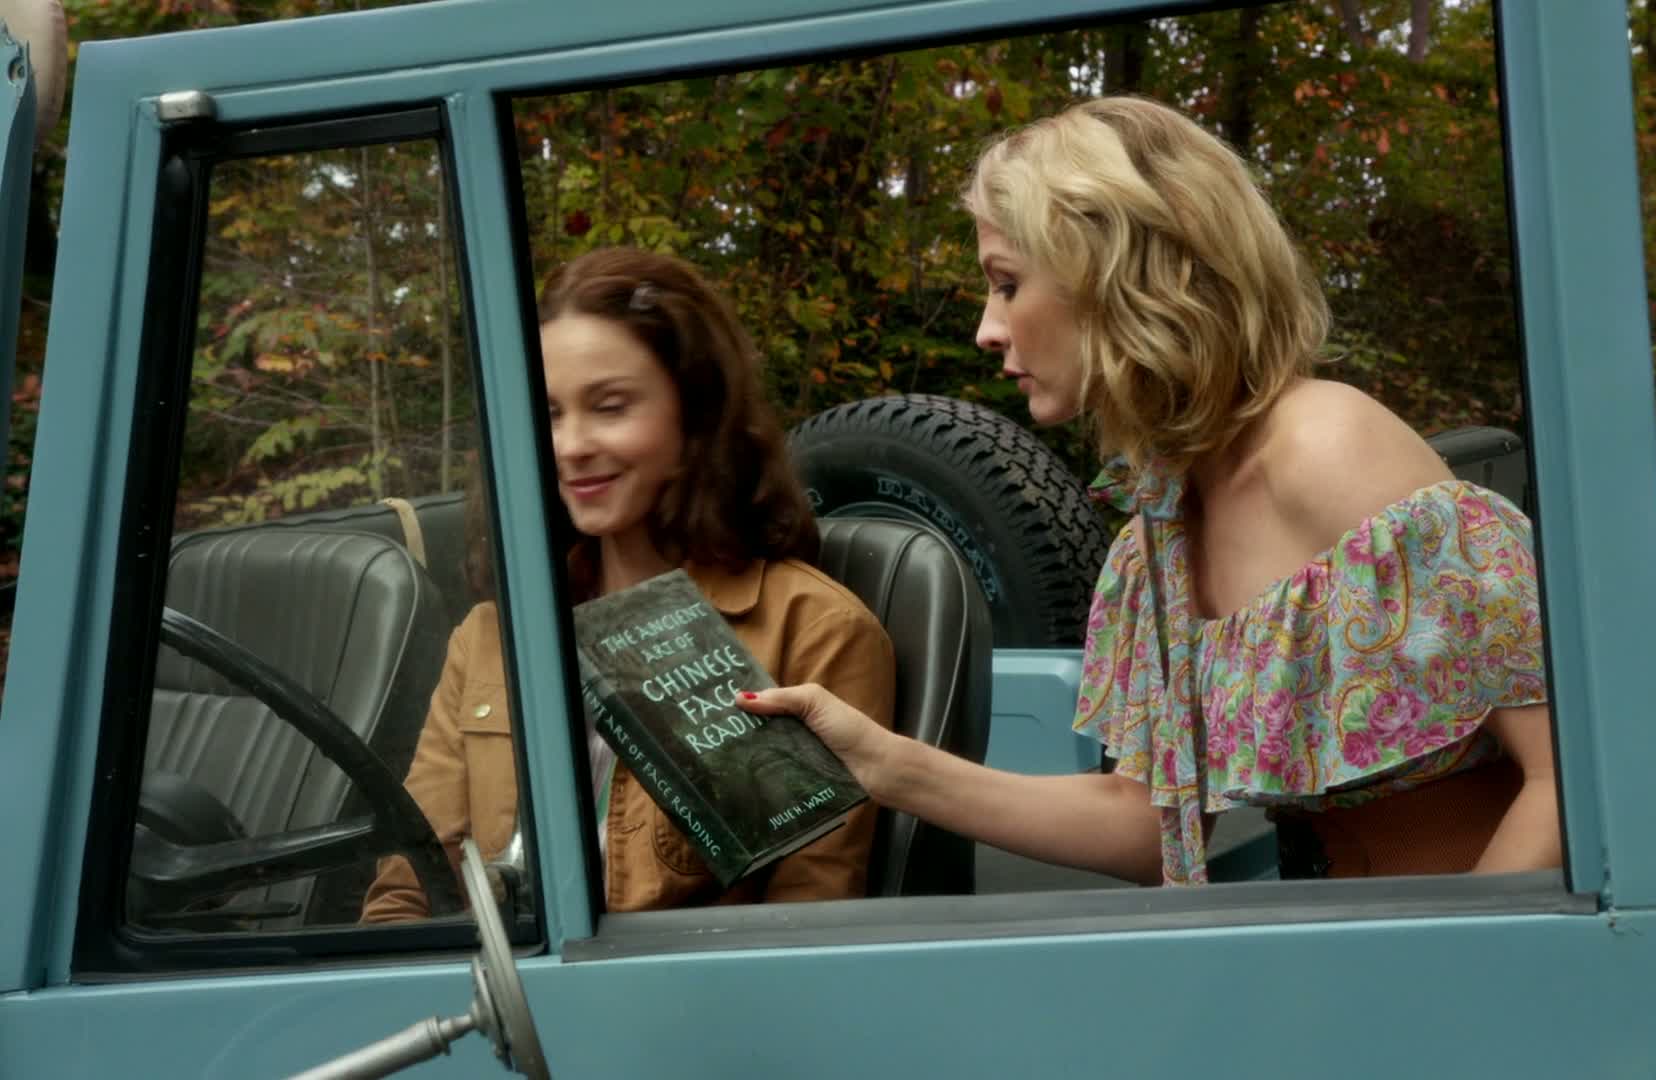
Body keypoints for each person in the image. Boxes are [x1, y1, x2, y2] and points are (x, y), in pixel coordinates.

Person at [740, 95, 1558, 886]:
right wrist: (885, 763)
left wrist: (1468, 970)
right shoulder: (1156, 535)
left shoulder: (1327, 447)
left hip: (1482, 954)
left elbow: (1571, 778)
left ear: (1116, 275)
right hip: (1322, 945)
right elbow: (1147, 830)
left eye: (1008, 283)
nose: (987, 328)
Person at [363, 249, 896, 921]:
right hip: (495, 980)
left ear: (696, 417)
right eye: (548, 414)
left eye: (609, 407)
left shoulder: (816, 632)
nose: (571, 445)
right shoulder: (492, 635)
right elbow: (405, 897)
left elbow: (807, 923)